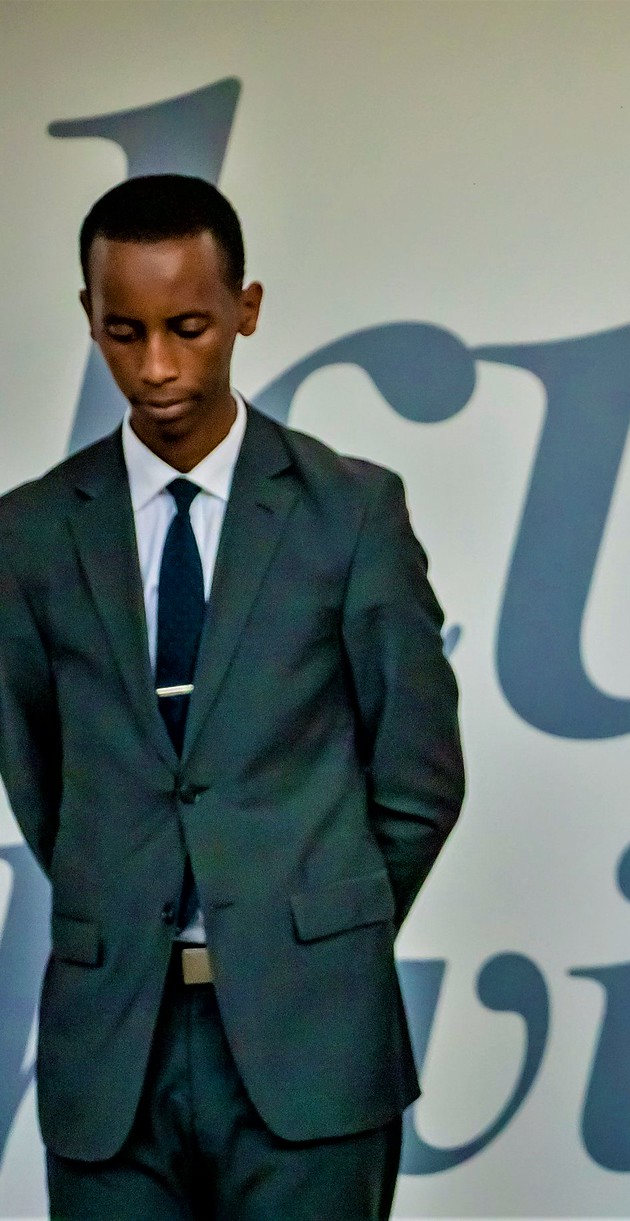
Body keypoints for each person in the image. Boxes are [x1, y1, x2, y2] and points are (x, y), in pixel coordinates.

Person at [0, 174, 464, 1219]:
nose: (157, 366)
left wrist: (310, 926)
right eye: (124, 331)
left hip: (313, 1042)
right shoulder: (28, 535)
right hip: (111, 1045)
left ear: (246, 311)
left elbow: (418, 777)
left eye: (190, 326)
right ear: (88, 319)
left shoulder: (349, 512)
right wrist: (127, 893)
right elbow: (39, 777)